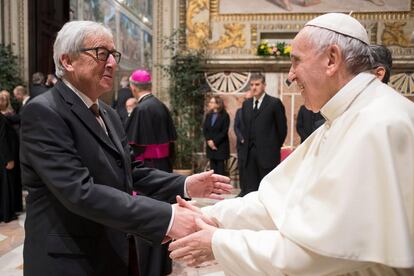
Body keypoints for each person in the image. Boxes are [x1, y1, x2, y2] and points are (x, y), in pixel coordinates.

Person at [169, 13, 414, 275]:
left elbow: (320, 253)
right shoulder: (345, 115)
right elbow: (276, 203)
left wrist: (217, 242)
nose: (290, 76)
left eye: (296, 61)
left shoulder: (378, 123)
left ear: (331, 59)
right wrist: (211, 215)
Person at [20, 20, 232, 276]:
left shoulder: (108, 113)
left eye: (113, 54)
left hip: (111, 248)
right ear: (67, 61)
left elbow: (131, 170)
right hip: (69, 259)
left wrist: (185, 185)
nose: (112, 63)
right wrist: (169, 217)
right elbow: (79, 191)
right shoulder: (44, 111)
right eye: (101, 53)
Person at [125, 69, 178, 276]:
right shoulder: (160, 106)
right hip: (163, 168)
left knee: (148, 219)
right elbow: (170, 143)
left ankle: (148, 269)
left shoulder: (142, 109)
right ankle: (163, 265)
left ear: (133, 87)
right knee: (164, 217)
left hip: (148, 171)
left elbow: (133, 145)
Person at [238, 73, 287, 196]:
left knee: (267, 191)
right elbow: (244, 127)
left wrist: (273, 147)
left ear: (264, 85)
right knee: (250, 191)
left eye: (257, 84)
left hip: (268, 154)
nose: (254, 87)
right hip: (249, 155)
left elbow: (282, 129)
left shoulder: (274, 103)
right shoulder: (246, 104)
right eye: (252, 85)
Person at [203, 95, 230, 176]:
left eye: (212, 102)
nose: (209, 104)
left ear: (218, 104)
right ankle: (213, 187)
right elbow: (205, 129)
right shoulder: (208, 115)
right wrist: (209, 141)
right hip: (210, 147)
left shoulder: (225, 116)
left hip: (220, 147)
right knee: (213, 171)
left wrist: (214, 142)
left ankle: (221, 187)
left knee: (220, 171)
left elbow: (224, 132)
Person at [234, 90, 252, 194]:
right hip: (241, 145)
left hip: (252, 146)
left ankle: (251, 191)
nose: (246, 101)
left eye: (249, 99)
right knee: (242, 168)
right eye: (245, 99)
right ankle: (242, 190)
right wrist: (242, 138)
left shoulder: (256, 111)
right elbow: (236, 127)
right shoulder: (239, 111)